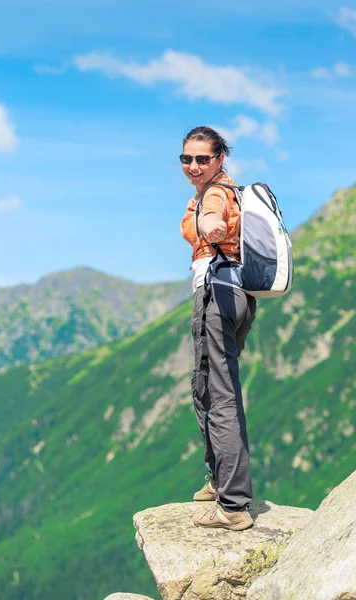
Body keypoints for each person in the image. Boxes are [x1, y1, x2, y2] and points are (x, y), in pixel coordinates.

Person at [180, 126, 256, 531]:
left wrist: (212, 227)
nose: (193, 166)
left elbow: (212, 221)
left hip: (217, 297)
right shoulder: (226, 191)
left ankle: (233, 506)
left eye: (202, 159)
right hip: (237, 295)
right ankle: (217, 480)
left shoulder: (215, 194)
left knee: (220, 396)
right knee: (207, 389)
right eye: (186, 159)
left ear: (219, 159)